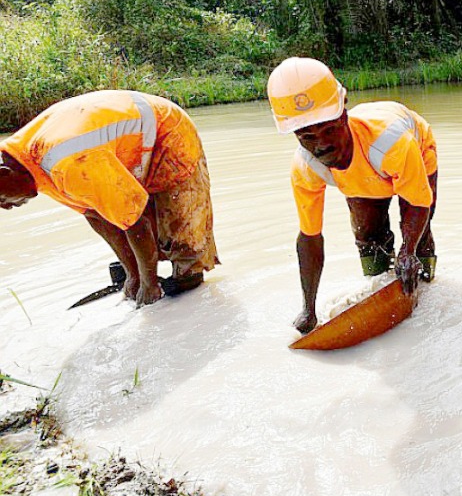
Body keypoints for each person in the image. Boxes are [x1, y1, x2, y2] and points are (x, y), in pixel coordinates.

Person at [0, 90, 219, 306]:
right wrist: (133, 274)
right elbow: (97, 216)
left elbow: (135, 221)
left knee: (184, 247)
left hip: (167, 130)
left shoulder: (68, 163)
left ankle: (188, 281)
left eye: (0, 198)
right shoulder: (29, 162)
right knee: (132, 218)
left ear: (4, 172)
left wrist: (149, 284)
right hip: (125, 146)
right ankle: (142, 271)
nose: (5, 207)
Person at [267, 57, 437, 334]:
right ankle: (379, 285)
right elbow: (309, 238)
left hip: (414, 155)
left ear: (343, 115)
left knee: (419, 237)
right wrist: (308, 309)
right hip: (365, 177)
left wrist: (407, 251)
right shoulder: (306, 167)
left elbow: (417, 204)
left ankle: (426, 286)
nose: (321, 145)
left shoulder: (390, 141)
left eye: (330, 130)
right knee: (369, 237)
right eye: (307, 136)